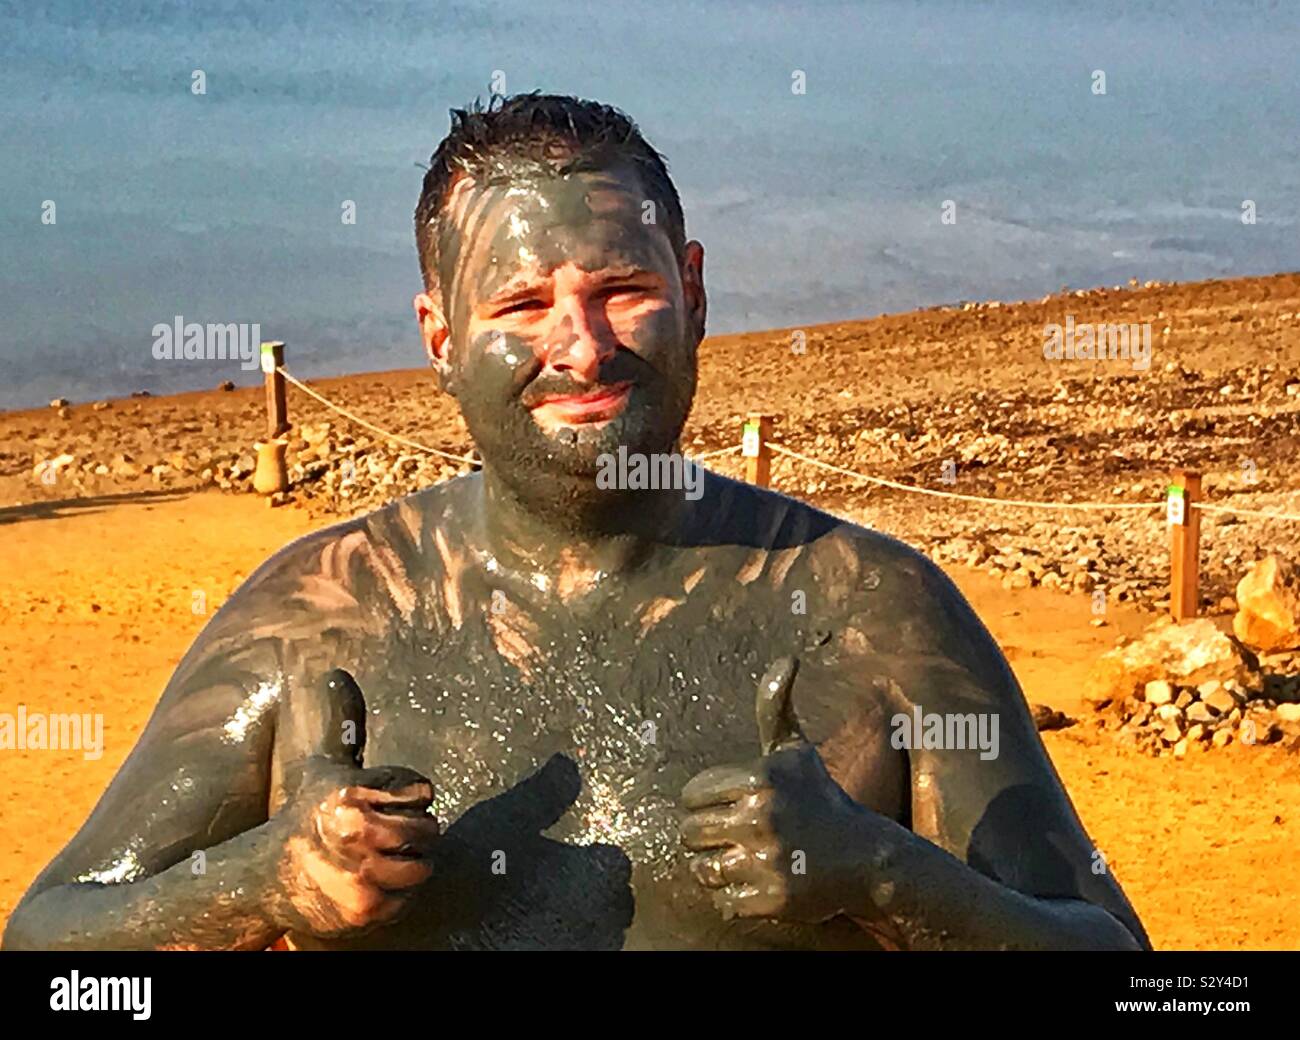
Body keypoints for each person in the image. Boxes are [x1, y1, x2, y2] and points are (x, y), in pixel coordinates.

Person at [4, 93, 1149, 951]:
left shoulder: (863, 608)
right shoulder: (320, 616)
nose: (582, 345)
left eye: (622, 290)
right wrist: (252, 884)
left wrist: (890, 873)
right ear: (439, 335)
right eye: (518, 303)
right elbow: (53, 951)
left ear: (692, 290)